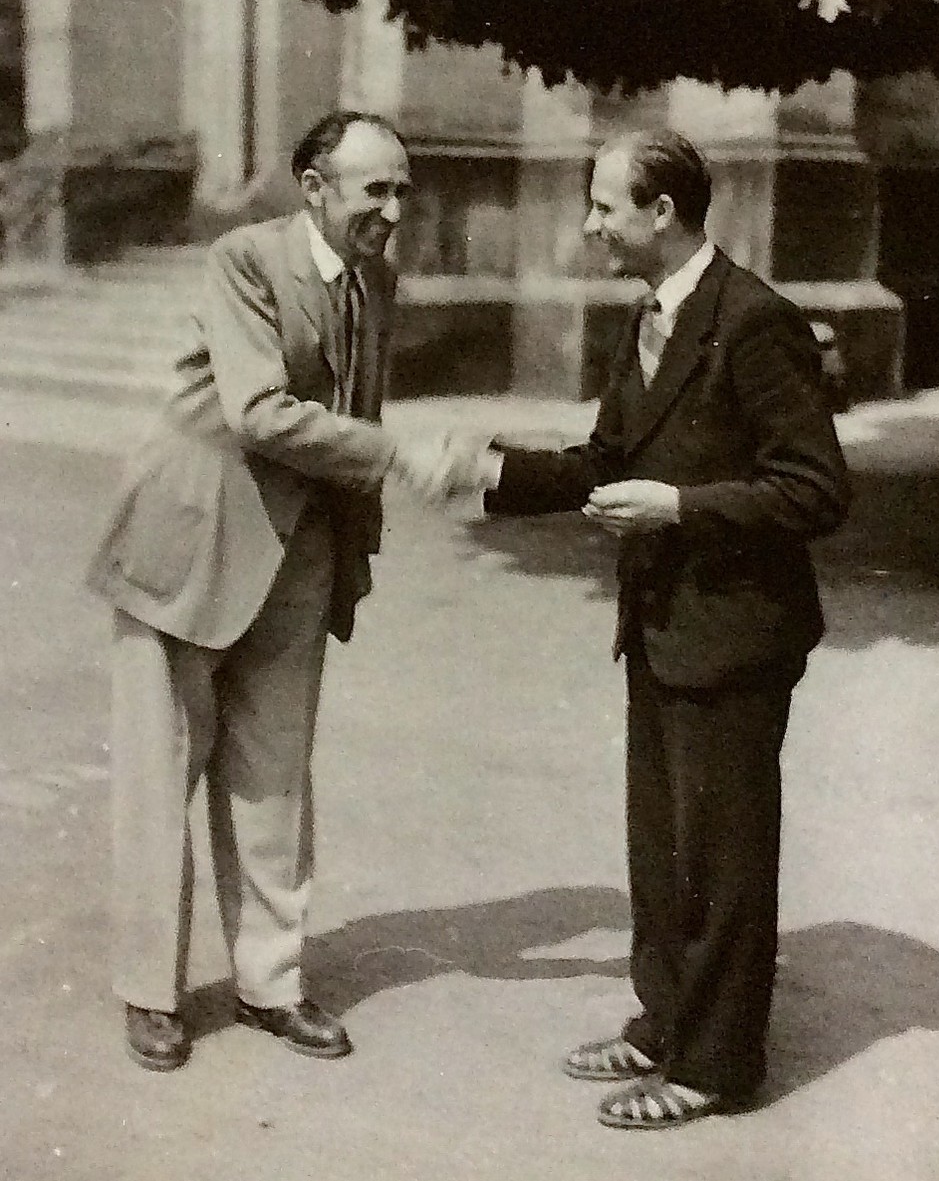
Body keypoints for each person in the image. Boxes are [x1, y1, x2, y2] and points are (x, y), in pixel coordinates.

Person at [436, 129, 850, 1131]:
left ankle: (714, 1066)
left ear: (662, 212)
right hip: (663, 624)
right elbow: (605, 459)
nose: (590, 226)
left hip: (737, 635)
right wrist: (490, 470)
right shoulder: (650, 316)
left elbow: (815, 488)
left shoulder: (755, 321)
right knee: (663, 845)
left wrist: (679, 506)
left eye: (604, 206)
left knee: (723, 858)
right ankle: (664, 1020)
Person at [88, 110, 426, 1072]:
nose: (394, 210)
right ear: (315, 188)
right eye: (375, 190)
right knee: (163, 775)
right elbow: (258, 410)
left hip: (299, 558)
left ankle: (271, 983)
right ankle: (150, 992)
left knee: (276, 775)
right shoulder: (246, 260)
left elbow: (356, 406)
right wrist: (402, 454)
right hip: (186, 548)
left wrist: (355, 541)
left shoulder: (376, 280)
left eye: (402, 190)